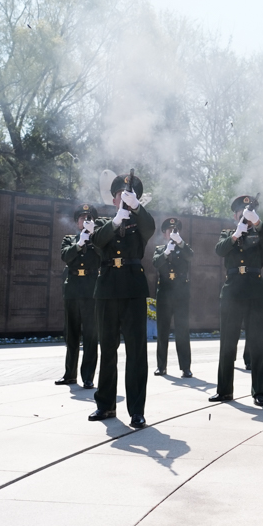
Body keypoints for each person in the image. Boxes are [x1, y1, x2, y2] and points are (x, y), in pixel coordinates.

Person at [87, 173, 155, 428]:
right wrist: (116, 222)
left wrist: (137, 208)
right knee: (107, 350)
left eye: (129, 195)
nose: (124, 199)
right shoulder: (105, 221)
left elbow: (150, 228)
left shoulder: (141, 222)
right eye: (121, 196)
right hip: (107, 290)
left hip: (133, 290)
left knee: (136, 353)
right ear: (113, 199)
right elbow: (95, 242)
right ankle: (105, 405)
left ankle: (137, 409)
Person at [210, 195, 263, 406]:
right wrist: (236, 235)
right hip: (232, 292)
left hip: (255, 291)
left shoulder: (259, 233)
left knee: (257, 345)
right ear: (234, 215)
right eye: (240, 213)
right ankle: (224, 390)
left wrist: (257, 222)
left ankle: (259, 392)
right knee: (227, 343)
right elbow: (219, 250)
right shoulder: (228, 233)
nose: (243, 216)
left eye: (246, 213)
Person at [56, 203, 101, 389]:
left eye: (89, 218)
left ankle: (88, 376)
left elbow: (103, 256)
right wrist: (80, 242)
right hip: (73, 288)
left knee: (90, 335)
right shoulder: (69, 239)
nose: (85, 221)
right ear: (77, 222)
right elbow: (65, 256)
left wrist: (93, 238)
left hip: (91, 289)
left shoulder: (100, 241)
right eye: (82, 218)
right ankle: (70, 374)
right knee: (71, 334)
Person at [152, 217, 194, 378]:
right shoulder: (160, 249)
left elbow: (190, 256)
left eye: (175, 230)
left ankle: (185, 367)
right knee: (162, 331)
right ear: (164, 234)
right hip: (164, 292)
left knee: (182, 331)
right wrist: (166, 252)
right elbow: (156, 263)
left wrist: (180, 243)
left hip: (181, 292)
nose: (172, 233)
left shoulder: (184, 248)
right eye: (169, 231)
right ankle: (161, 366)